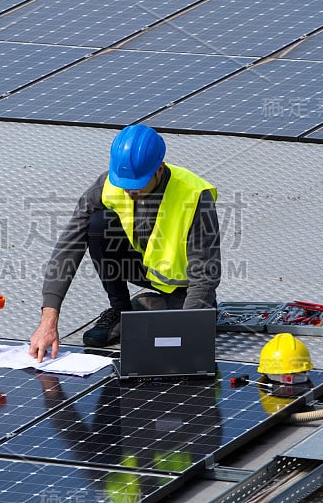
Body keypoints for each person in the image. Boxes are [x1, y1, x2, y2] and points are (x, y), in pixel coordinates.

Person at [29, 124, 221, 362]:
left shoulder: (193, 195)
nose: (129, 192)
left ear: (159, 169)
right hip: (141, 268)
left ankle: (164, 306)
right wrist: (48, 320)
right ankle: (122, 311)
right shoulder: (108, 184)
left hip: (183, 282)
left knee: (191, 328)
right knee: (98, 224)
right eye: (125, 185)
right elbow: (69, 244)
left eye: (137, 186)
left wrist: (185, 332)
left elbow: (206, 274)